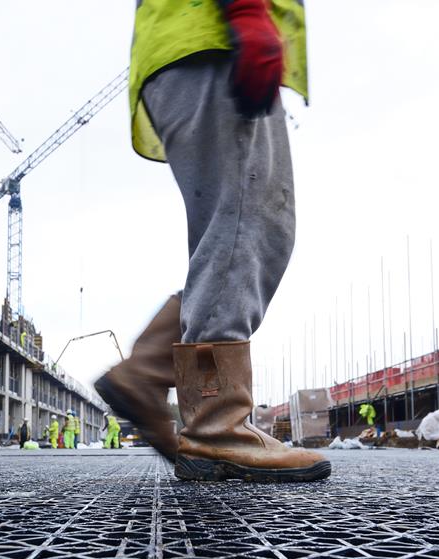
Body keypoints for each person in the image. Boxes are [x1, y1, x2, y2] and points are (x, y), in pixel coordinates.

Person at [95, 0, 328, 483]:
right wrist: (247, 13)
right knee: (256, 223)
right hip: (217, 45)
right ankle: (216, 424)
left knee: (225, 235)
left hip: (189, 52)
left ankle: (151, 372)